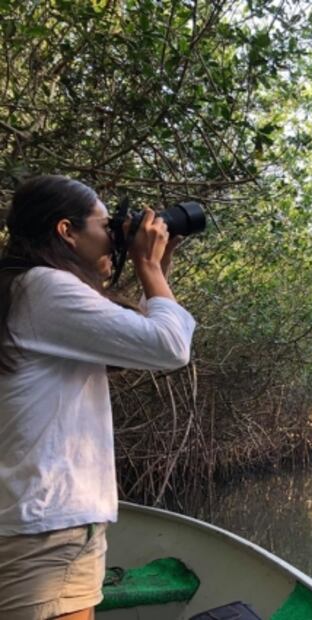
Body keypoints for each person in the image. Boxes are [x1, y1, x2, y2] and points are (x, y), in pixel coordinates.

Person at [0, 175, 196, 619]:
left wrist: (159, 268)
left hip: (25, 517)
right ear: (66, 231)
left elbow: (131, 339)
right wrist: (148, 268)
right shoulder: (45, 287)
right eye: (106, 226)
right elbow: (169, 347)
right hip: (50, 526)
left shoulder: (18, 288)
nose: (114, 236)